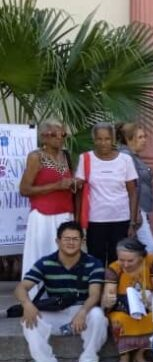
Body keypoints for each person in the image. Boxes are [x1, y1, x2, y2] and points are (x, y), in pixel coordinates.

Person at [15, 221, 107, 362]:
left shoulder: (94, 263)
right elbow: (21, 288)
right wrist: (27, 304)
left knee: (98, 316)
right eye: (66, 239)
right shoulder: (45, 262)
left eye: (75, 239)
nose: (71, 242)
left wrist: (83, 311)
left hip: (82, 311)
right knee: (28, 319)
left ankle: (89, 361)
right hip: (56, 312)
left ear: (82, 241)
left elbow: (95, 294)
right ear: (58, 241)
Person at [18, 118, 76, 283]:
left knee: (65, 258)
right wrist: (57, 185)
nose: (59, 137)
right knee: (43, 257)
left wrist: (74, 184)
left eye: (62, 134)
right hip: (43, 217)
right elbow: (24, 189)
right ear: (43, 137)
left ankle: (61, 296)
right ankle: (37, 298)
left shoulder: (66, 156)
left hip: (65, 214)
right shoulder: (36, 157)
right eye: (54, 134)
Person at [76, 122, 139, 265]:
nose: (103, 143)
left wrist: (133, 221)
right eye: (99, 139)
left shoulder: (125, 160)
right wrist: (79, 220)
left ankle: (114, 287)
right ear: (94, 140)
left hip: (121, 219)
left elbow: (133, 193)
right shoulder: (85, 158)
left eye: (107, 139)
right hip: (96, 220)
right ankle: (96, 287)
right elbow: (79, 191)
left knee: (117, 260)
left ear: (113, 139)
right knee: (95, 259)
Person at [102, 237, 153, 362]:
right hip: (121, 305)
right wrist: (108, 299)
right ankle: (124, 357)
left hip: (146, 302)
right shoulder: (114, 269)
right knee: (119, 320)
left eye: (130, 260)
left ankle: (140, 356)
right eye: (122, 260)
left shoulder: (150, 262)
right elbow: (108, 294)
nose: (125, 264)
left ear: (141, 257)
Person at [116, 122, 153, 255]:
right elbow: (129, 187)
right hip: (135, 209)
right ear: (129, 139)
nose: (144, 140)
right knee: (149, 248)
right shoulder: (126, 157)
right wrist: (136, 213)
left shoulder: (133, 157)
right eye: (140, 137)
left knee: (135, 248)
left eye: (144, 136)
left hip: (140, 208)